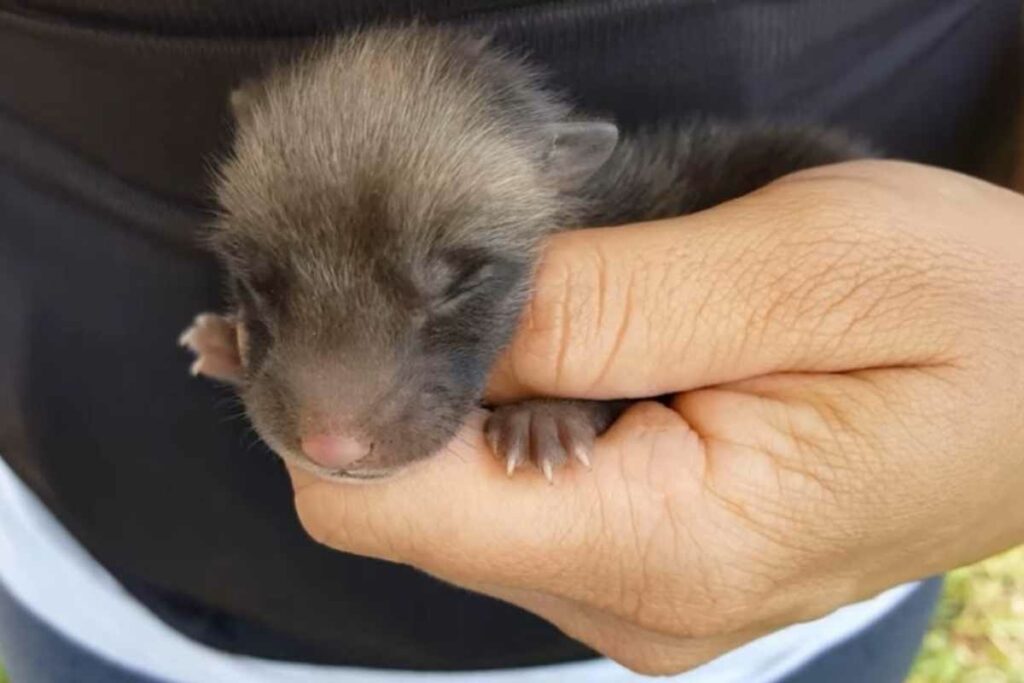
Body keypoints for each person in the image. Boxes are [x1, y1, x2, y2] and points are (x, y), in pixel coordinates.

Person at [0, 1, 1020, 682]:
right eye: (265, 281)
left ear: (567, 174)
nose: (332, 434)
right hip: (129, 593)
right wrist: (261, 331)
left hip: (793, 613)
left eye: (451, 280)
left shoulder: (685, 190)